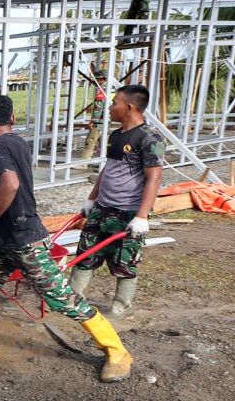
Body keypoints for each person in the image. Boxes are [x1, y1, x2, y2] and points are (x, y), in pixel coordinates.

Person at [0, 94, 135, 382]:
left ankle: (117, 351)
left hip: (25, 238)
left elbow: (10, 183)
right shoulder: (15, 142)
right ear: (13, 119)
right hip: (5, 239)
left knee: (61, 298)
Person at [69, 84, 165, 317]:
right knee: (84, 256)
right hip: (102, 208)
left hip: (127, 212)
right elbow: (107, 170)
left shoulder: (149, 138)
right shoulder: (116, 134)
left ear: (129, 107)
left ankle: (120, 308)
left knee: (124, 263)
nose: (110, 107)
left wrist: (141, 216)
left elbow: (154, 178)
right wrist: (92, 199)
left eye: (115, 103)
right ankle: (72, 302)